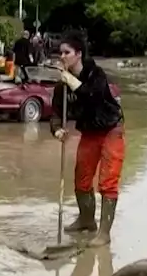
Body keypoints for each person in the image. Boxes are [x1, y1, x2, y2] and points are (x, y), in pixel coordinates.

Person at [50, 31, 125, 247]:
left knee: (107, 181)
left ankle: (104, 233)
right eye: (60, 52)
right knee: (82, 179)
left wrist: (71, 80)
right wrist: (57, 130)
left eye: (67, 52)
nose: (62, 56)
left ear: (78, 54)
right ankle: (86, 220)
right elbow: (56, 113)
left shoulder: (96, 74)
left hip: (111, 129)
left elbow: (92, 95)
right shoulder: (61, 86)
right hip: (89, 132)